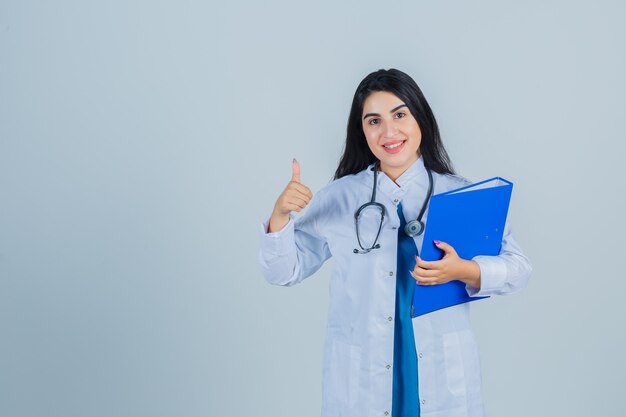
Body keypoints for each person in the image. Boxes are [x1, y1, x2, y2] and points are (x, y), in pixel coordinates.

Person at [258, 68, 532, 417]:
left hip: (441, 376)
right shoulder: (340, 198)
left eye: (399, 114)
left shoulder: (461, 194)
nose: (388, 131)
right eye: (374, 121)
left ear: (420, 118)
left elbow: (519, 269)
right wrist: (280, 216)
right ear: (362, 131)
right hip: (361, 381)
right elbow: (283, 271)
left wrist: (466, 269)